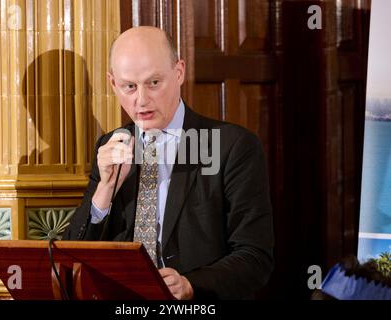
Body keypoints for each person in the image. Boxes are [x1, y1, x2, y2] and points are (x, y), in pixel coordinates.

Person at [62, 26, 274, 300]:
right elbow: (71, 258)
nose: (141, 100)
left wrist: (189, 284)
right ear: (113, 84)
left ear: (179, 72)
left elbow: (255, 258)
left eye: (154, 83)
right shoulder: (111, 146)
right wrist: (104, 191)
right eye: (129, 86)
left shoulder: (232, 147)